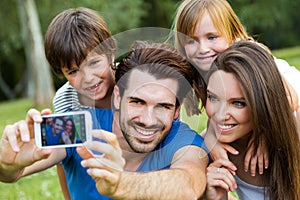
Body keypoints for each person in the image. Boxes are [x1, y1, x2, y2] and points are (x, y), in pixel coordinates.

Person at [0, 41, 209, 199]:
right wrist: (8, 163)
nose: (147, 120)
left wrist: (119, 183)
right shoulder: (78, 126)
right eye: (137, 102)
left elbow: (188, 186)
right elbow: (10, 174)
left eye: (163, 106)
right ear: (117, 96)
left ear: (176, 111)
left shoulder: (185, 141)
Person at [172, 0, 300, 175]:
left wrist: (263, 135)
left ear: (233, 34)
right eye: (192, 41)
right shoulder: (202, 69)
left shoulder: (252, 58)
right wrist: (211, 136)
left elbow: (290, 100)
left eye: (211, 37)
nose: (202, 49)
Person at [203, 41, 300, 200]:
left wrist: (266, 130)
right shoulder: (210, 149)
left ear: (262, 102)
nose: (220, 115)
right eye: (213, 98)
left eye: (238, 103)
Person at [44, 7, 117, 199]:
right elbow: (63, 159)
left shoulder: (133, 86)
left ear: (111, 52)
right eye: (74, 71)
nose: (88, 78)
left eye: (94, 63)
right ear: (62, 72)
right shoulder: (66, 100)